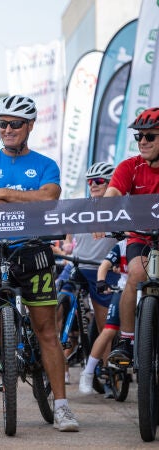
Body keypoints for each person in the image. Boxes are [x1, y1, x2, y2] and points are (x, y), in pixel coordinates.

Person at [0, 95, 79, 432]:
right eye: (2, 124)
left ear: (30, 126)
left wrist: (3, 193)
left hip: (34, 252)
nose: (7, 130)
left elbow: (48, 198)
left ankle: (63, 408)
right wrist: (21, 196)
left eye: (14, 124)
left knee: (47, 332)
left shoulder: (45, 164)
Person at [98, 107, 159, 367]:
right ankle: (126, 340)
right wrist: (101, 215)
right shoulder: (130, 167)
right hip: (142, 238)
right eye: (139, 137)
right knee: (136, 273)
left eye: (150, 137)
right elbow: (112, 194)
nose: (143, 142)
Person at [55, 162, 118, 384]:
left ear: (111, 183)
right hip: (77, 265)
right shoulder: (80, 206)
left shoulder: (120, 207)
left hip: (103, 269)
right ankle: (59, 368)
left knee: (104, 324)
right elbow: (65, 233)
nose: (93, 185)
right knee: (56, 309)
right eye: (90, 181)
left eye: (99, 181)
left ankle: (107, 371)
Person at [79, 239, 127, 394]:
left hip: (143, 292)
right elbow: (104, 265)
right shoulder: (124, 244)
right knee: (108, 329)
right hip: (123, 289)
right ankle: (88, 372)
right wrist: (101, 281)